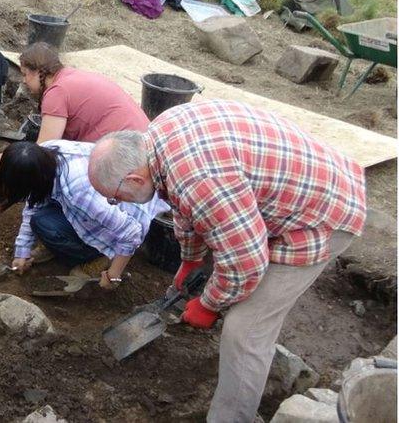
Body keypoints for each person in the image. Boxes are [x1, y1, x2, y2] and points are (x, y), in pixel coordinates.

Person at [88, 100, 366, 423]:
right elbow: (183, 205)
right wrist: (190, 261)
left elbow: (246, 263)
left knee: (245, 330)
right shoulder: (157, 139)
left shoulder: (198, 178)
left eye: (115, 197)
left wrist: (209, 305)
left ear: (135, 180)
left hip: (319, 217)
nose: (116, 203)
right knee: (230, 270)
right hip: (288, 193)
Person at [0, 141, 168, 283]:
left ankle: (101, 256)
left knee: (43, 223)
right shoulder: (45, 154)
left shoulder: (79, 193)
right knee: (42, 216)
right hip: (104, 202)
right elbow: (34, 202)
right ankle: (61, 244)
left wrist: (113, 275)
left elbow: (132, 232)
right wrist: (22, 251)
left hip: (127, 213)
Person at [0, 43, 149, 165]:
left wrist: (7, 159)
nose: (23, 80)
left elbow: (45, 149)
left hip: (128, 154)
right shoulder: (68, 75)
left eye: (25, 74)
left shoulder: (56, 92)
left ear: (38, 72)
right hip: (144, 141)